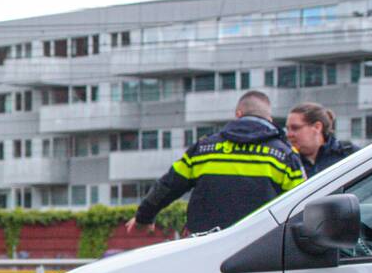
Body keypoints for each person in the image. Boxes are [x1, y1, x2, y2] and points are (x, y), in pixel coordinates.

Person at [126, 90, 305, 235]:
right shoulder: (284, 155)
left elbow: (167, 186)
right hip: (258, 250)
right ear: (269, 119)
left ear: (238, 114)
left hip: (204, 245)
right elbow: (303, 204)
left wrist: (144, 217)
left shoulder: (204, 149)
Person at [285, 103, 358, 178]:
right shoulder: (287, 162)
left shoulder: (349, 155)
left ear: (317, 127)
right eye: (287, 129)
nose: (289, 134)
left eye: (295, 128)